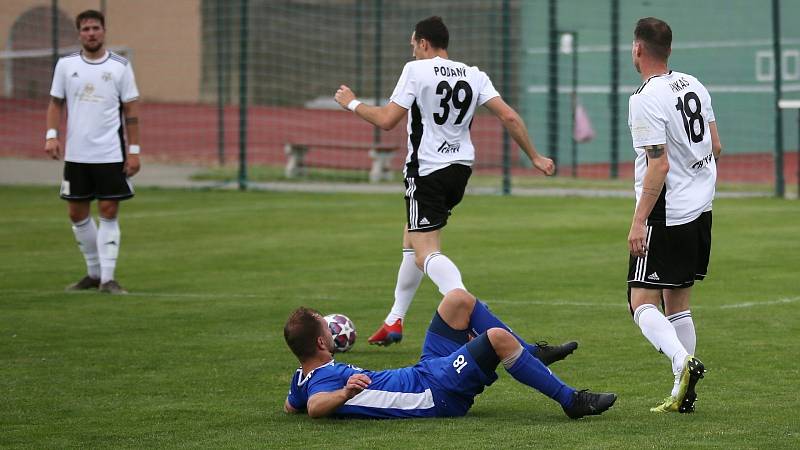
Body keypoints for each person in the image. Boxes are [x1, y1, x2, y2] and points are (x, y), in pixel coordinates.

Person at [334, 16, 555, 347]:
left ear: (423, 43)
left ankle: (464, 305)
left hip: (426, 170)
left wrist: (351, 102)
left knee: (425, 253)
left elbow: (387, 120)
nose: (412, 50)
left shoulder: (416, 71)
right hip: (460, 169)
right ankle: (394, 319)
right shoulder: (474, 73)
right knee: (412, 238)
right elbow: (508, 115)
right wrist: (535, 156)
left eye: (413, 44)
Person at [283, 289, 616, 419]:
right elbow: (314, 408)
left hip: (425, 372)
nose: (331, 326)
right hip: (434, 392)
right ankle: (570, 400)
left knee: (457, 300)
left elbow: (294, 405)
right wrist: (344, 392)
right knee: (496, 338)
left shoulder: (303, 377)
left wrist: (337, 396)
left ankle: (530, 354)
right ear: (322, 344)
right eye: (325, 326)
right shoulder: (323, 381)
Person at [626, 17, 722, 413]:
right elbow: (716, 144)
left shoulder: (645, 97)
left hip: (667, 213)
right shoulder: (693, 83)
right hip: (701, 209)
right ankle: (683, 393)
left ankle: (682, 363)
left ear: (638, 49)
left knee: (640, 302)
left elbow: (659, 166)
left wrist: (638, 220)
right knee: (677, 303)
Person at [45, 9, 141, 294]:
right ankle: (93, 273)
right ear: (79, 33)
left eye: (95, 28)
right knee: (76, 213)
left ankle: (108, 279)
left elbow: (131, 110)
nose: (91, 33)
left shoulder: (120, 66)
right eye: (85, 29)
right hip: (76, 154)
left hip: (110, 153)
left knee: (109, 210)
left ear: (104, 31)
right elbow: (55, 103)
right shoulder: (66, 65)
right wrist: (51, 135)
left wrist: (134, 151)